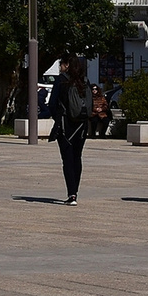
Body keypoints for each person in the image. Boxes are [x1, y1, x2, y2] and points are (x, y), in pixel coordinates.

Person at [49, 55, 92, 204]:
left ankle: (71, 194)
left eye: (61, 64)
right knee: (77, 158)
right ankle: (75, 192)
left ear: (66, 65)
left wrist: (58, 117)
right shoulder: (84, 81)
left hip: (65, 125)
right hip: (82, 126)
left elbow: (52, 104)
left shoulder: (61, 81)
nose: (60, 67)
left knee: (67, 160)